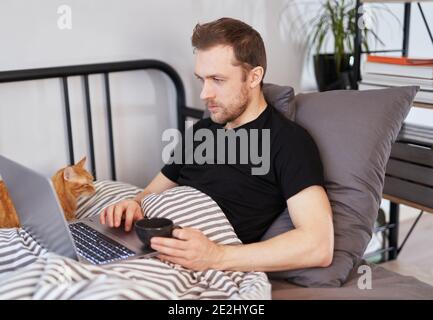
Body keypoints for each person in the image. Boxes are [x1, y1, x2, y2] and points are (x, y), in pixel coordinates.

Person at [100, 17, 334, 272]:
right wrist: (133, 204)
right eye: (202, 80)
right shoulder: (201, 131)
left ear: (254, 77)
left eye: (218, 80)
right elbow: (149, 194)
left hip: (190, 267)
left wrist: (217, 256)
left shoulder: (288, 142)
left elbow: (318, 245)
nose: (204, 94)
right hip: (144, 248)